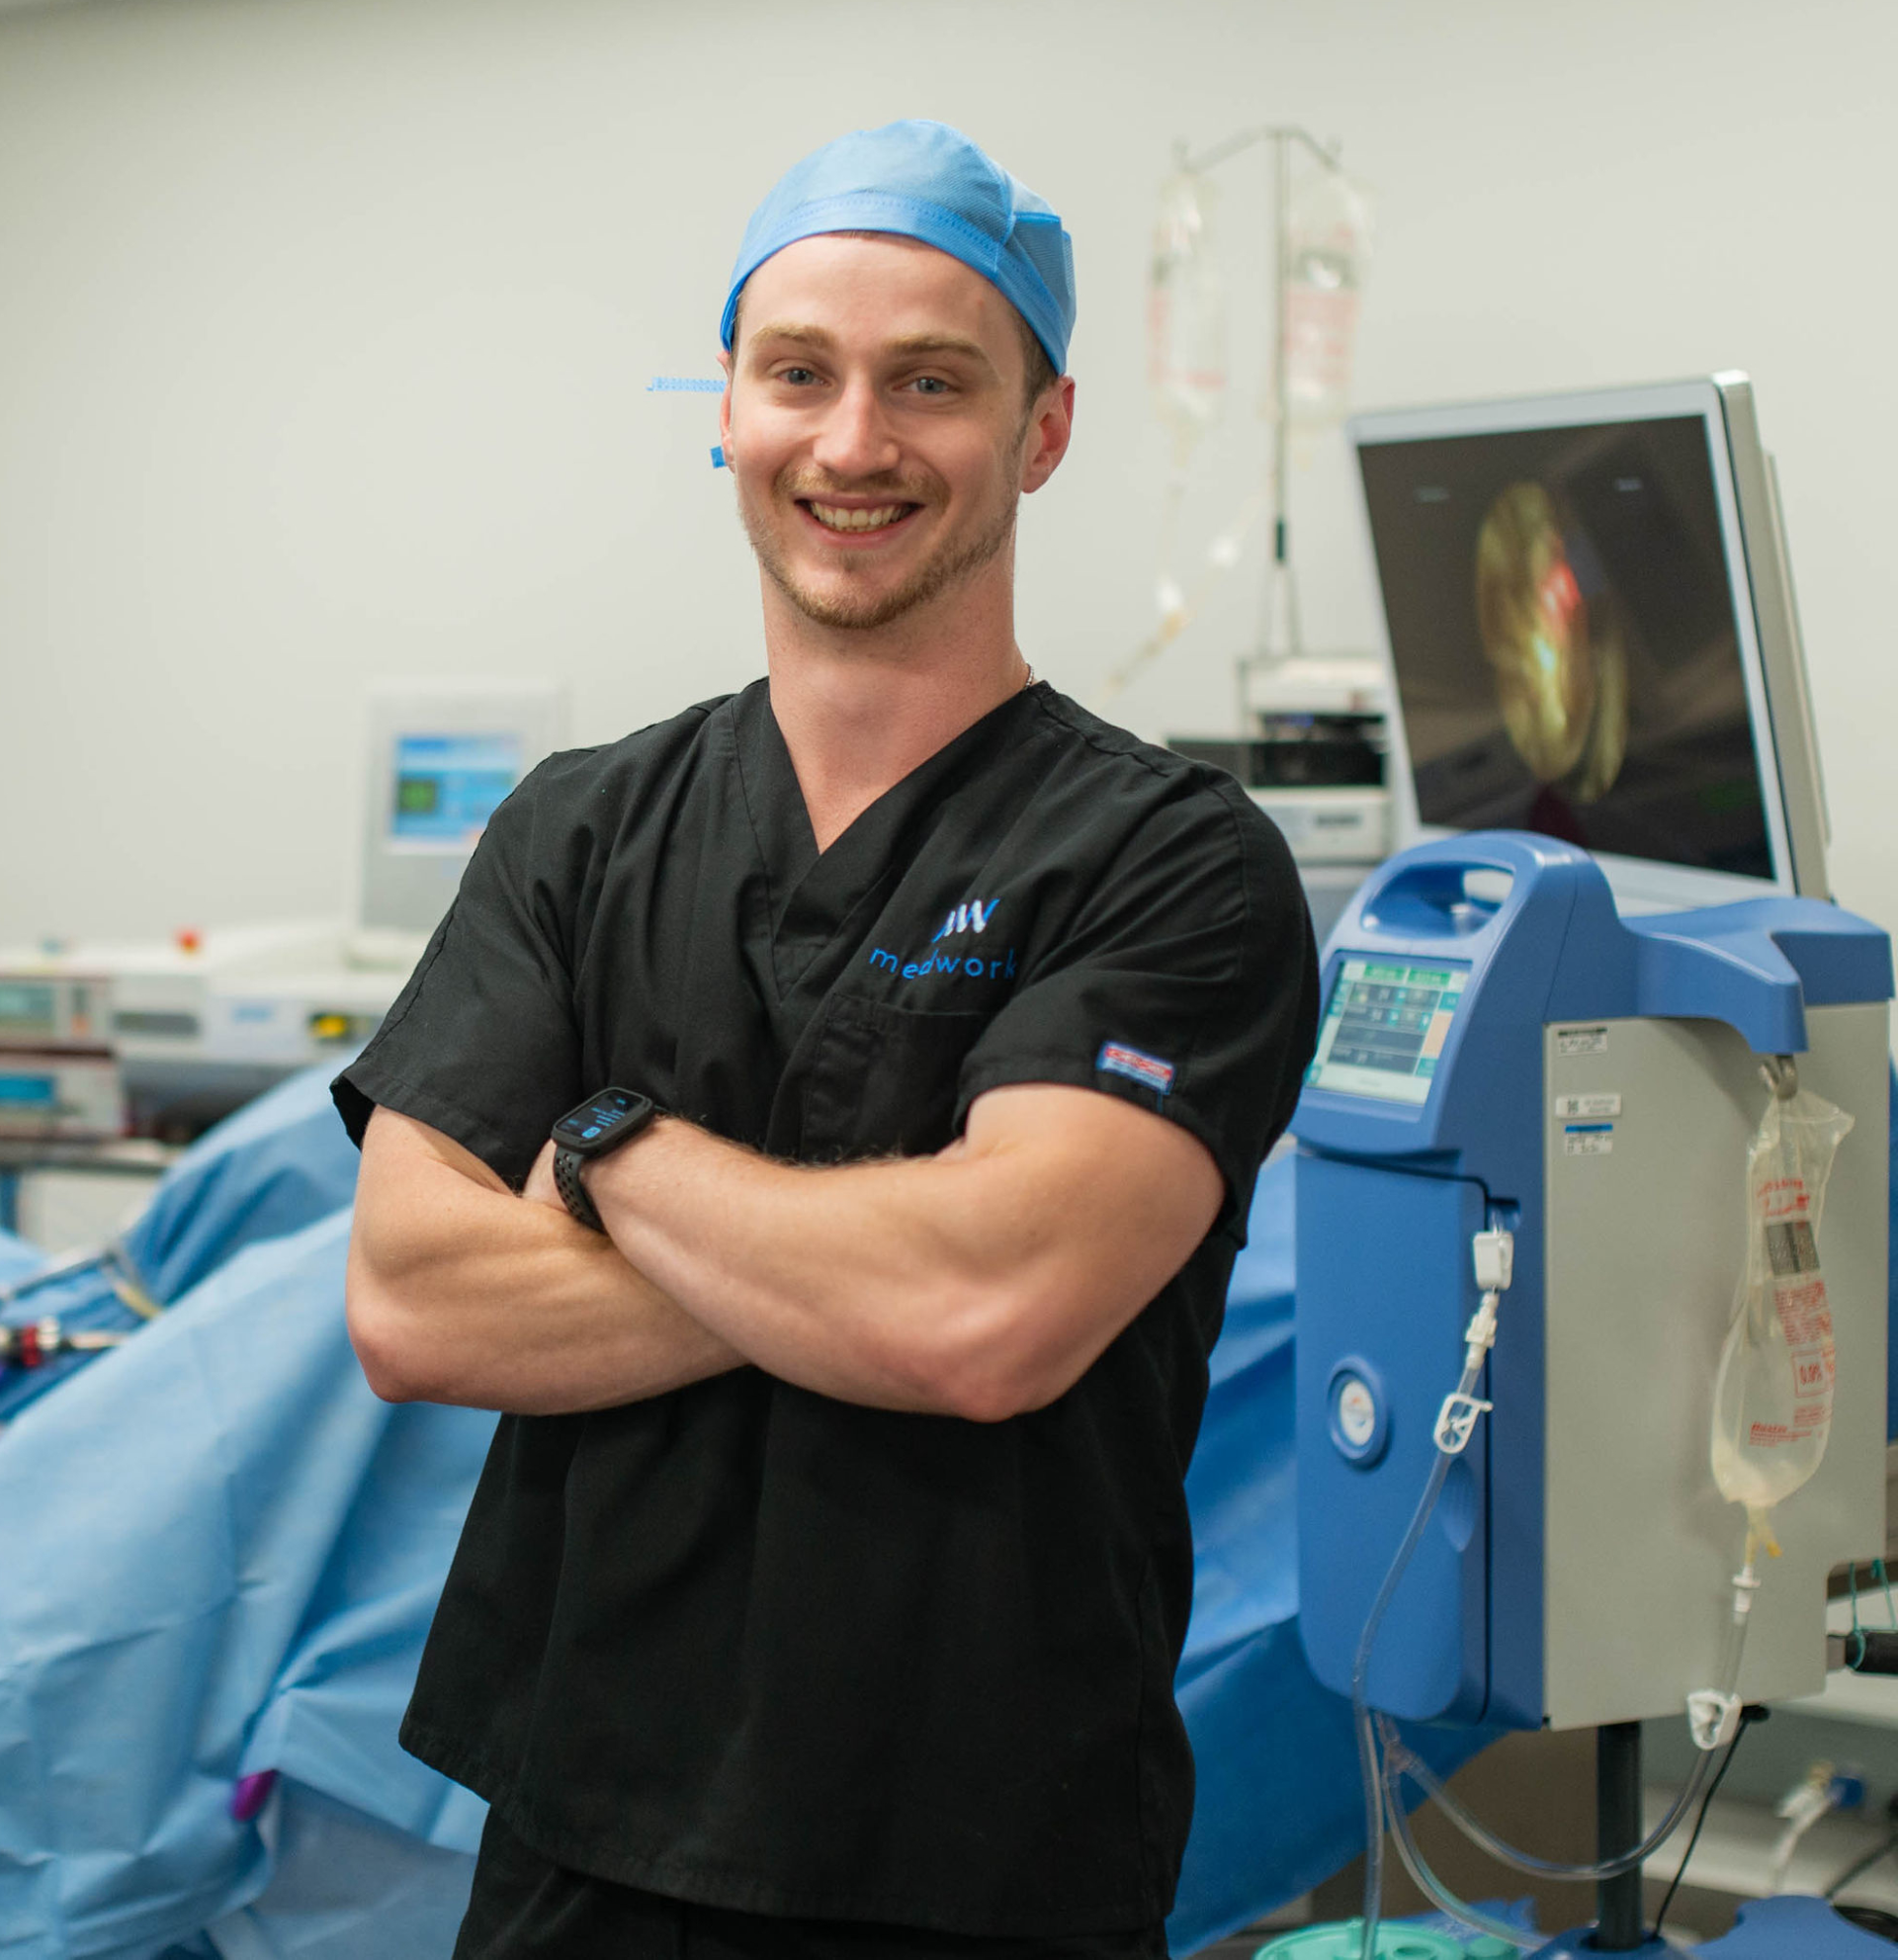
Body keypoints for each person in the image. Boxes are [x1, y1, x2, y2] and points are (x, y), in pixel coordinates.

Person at [336, 119, 1319, 1960]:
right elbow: (411, 1302)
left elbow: (983, 1318)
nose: (853, 442)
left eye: (930, 383)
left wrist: (611, 1154)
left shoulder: (1174, 865)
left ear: (1043, 428)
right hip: (573, 1834)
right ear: (728, 407)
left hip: (974, 1857)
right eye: (800, 374)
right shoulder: (578, 830)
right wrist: (873, 1256)